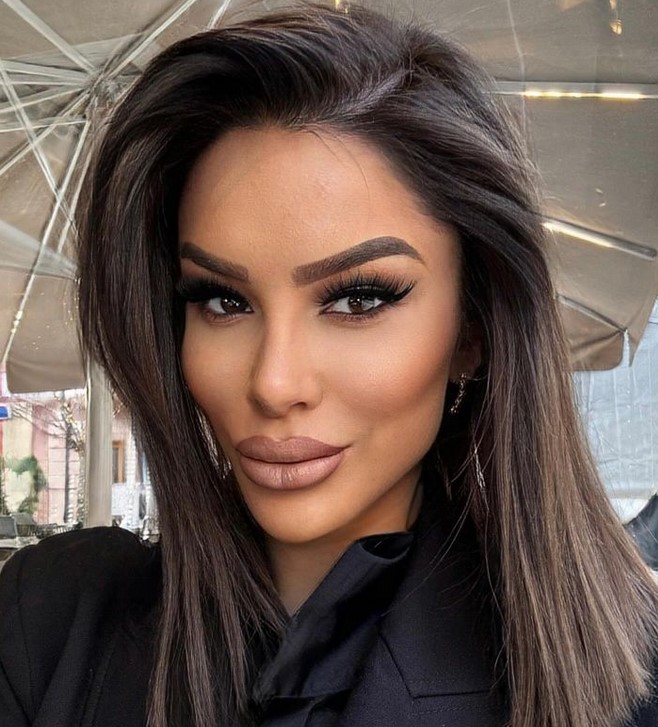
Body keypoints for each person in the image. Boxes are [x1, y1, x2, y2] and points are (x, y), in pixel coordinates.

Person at [1, 4, 657, 727]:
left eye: (358, 299)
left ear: (471, 331)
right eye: (222, 300)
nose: (274, 383)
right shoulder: (51, 628)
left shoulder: (623, 677)